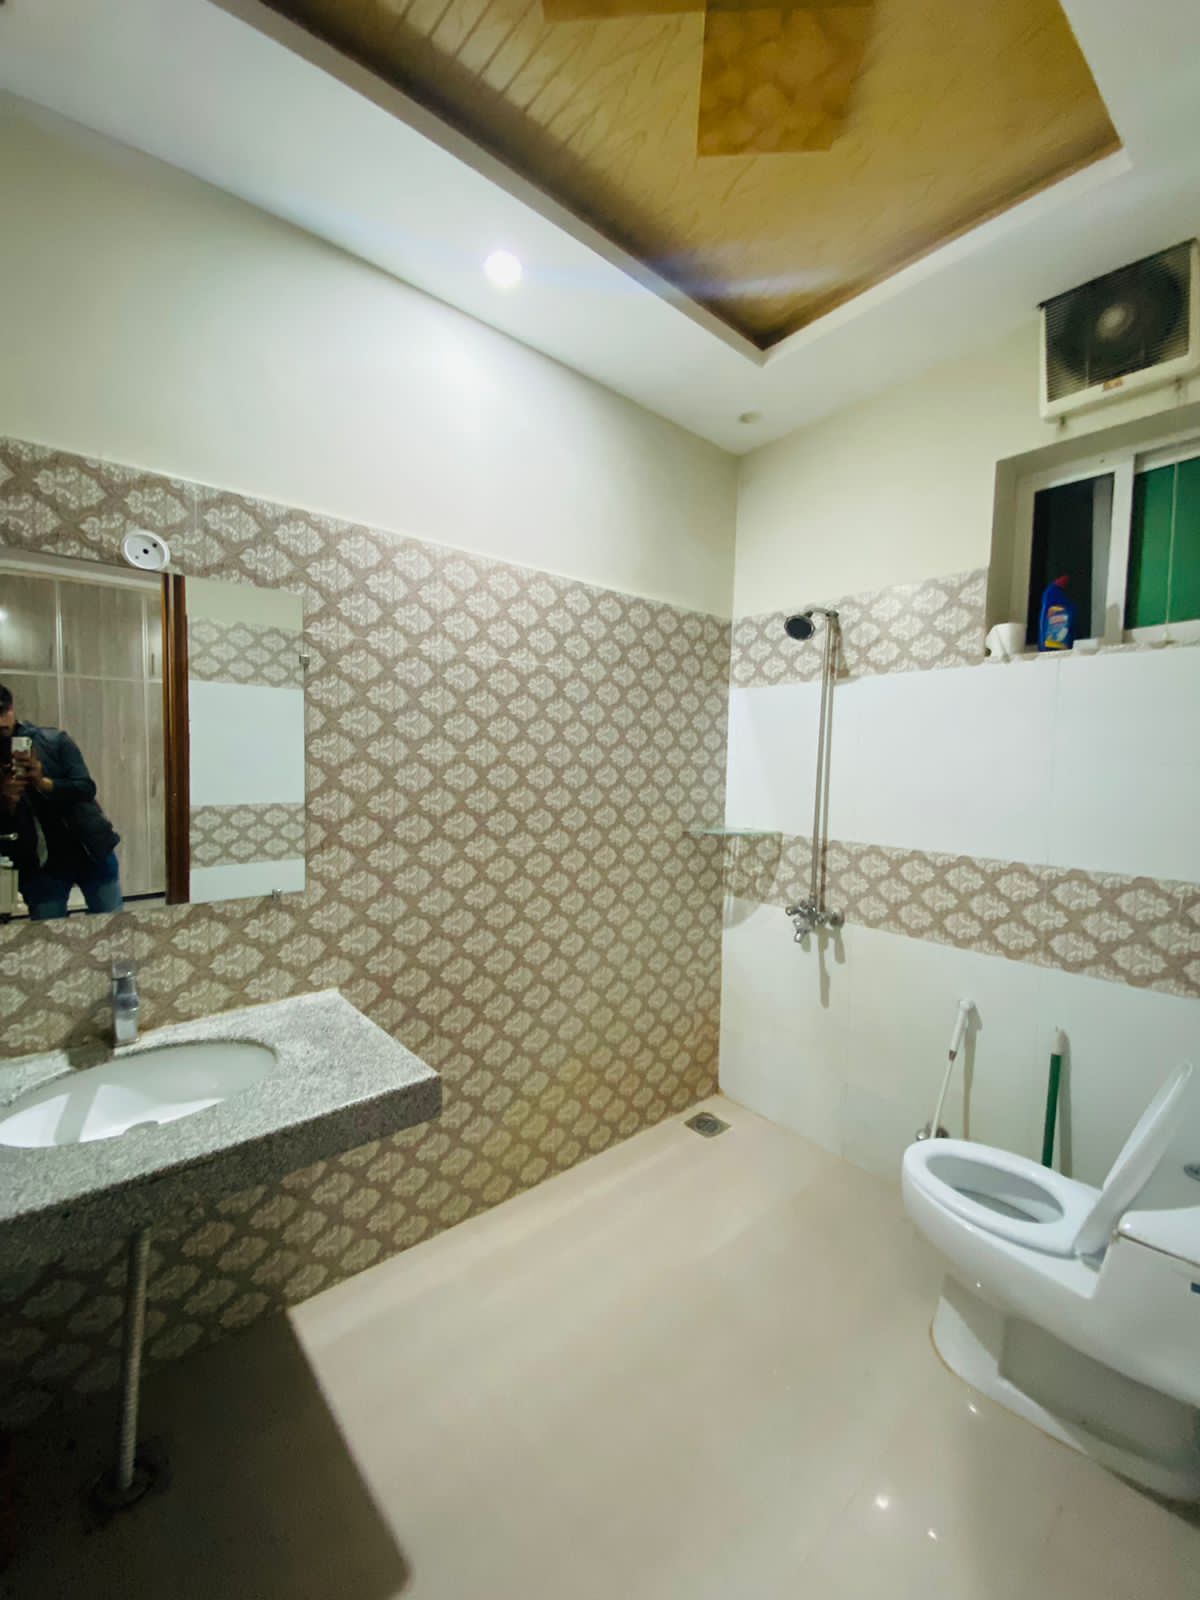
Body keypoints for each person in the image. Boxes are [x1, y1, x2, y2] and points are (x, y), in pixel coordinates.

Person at [0, 682, 123, 920]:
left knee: (112, 929)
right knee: (49, 936)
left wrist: (43, 782)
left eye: (2, 712)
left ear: (12, 709)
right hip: (39, 866)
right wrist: (7, 800)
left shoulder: (54, 741)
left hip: (89, 850)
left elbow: (86, 788)